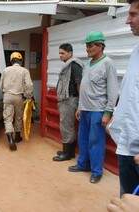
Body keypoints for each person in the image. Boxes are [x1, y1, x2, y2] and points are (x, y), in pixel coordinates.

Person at [68, 31, 119, 183]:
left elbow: (113, 90)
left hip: (98, 110)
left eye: (90, 46)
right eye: (87, 46)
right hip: (85, 110)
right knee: (83, 139)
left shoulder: (108, 63)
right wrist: (80, 107)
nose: (87, 49)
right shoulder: (88, 64)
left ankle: (97, 171)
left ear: (100, 46)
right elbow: (85, 88)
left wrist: (108, 112)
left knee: (95, 142)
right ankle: (83, 164)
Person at [107, 0, 139, 195]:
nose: (128, 20)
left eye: (133, 14)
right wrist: (115, 119)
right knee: (126, 200)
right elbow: (130, 94)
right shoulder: (136, 51)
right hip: (127, 147)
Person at [53, 43, 83, 162]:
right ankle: (68, 151)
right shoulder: (68, 65)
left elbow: (79, 84)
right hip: (66, 99)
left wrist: (80, 104)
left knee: (67, 126)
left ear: (70, 53)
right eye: (59, 53)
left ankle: (67, 153)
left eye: (63, 53)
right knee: (65, 125)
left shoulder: (74, 65)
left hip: (70, 99)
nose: (60, 55)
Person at [0, 52, 33, 151]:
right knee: (18, 116)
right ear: (21, 61)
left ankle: (10, 139)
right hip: (19, 97)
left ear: (11, 60)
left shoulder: (5, 70)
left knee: (8, 118)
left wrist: (4, 93)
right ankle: (17, 136)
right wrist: (28, 96)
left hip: (7, 96)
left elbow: (1, 85)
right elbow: (29, 85)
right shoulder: (24, 71)